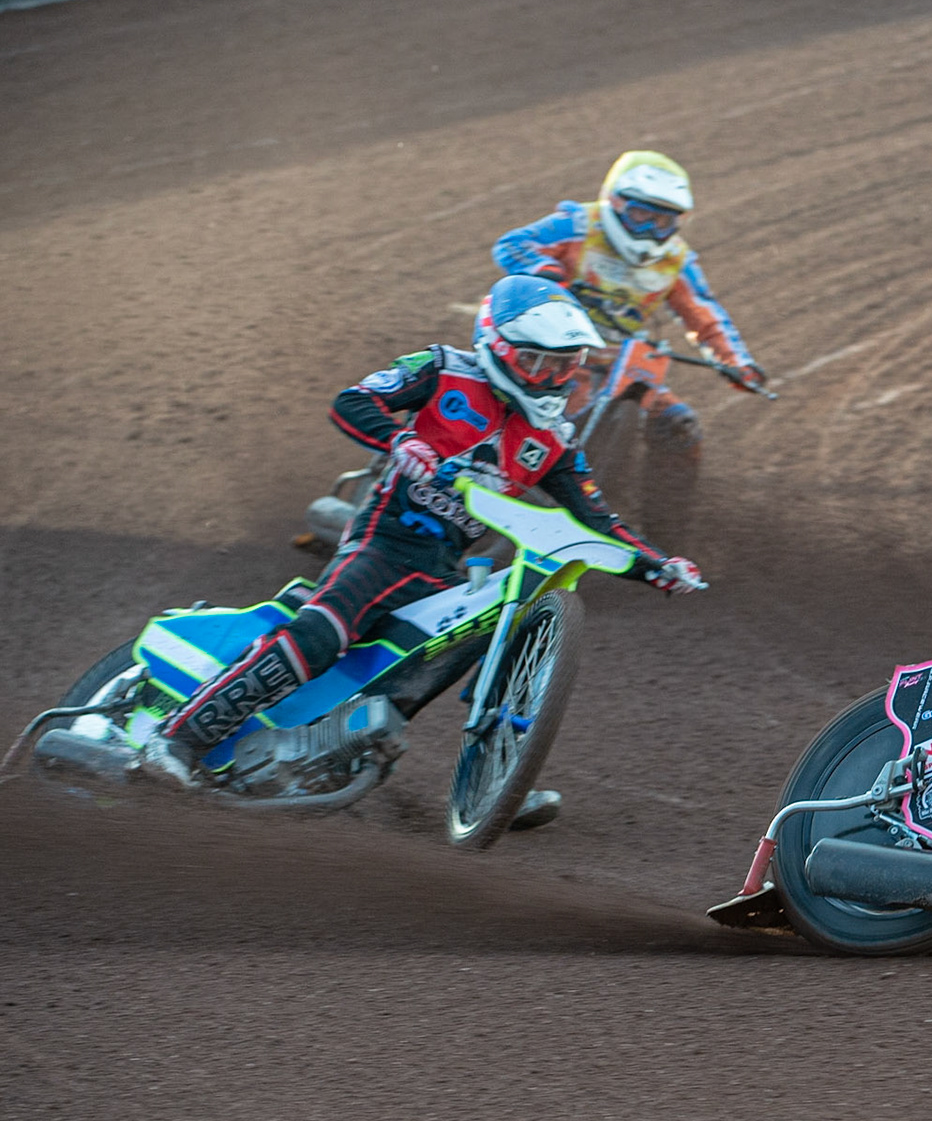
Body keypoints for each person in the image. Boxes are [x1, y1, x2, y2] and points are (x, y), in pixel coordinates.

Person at [139, 276, 704, 803]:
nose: (550, 379)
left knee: (487, 630)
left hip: (444, 570)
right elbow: (353, 401)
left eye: (564, 367)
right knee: (319, 635)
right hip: (381, 544)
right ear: (498, 346)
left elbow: (598, 521)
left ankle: (498, 776)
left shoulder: (555, 441)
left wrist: (658, 565)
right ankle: (179, 739)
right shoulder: (442, 369)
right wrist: (399, 441)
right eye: (534, 362)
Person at [492, 150, 763, 445]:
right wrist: (546, 270)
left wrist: (736, 364)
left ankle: (661, 492)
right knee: (551, 419)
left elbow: (703, 314)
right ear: (616, 202)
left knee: (679, 426)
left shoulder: (677, 259)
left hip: (622, 362)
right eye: (641, 214)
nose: (649, 228)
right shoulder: (579, 223)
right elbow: (514, 244)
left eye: (662, 221)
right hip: (556, 353)